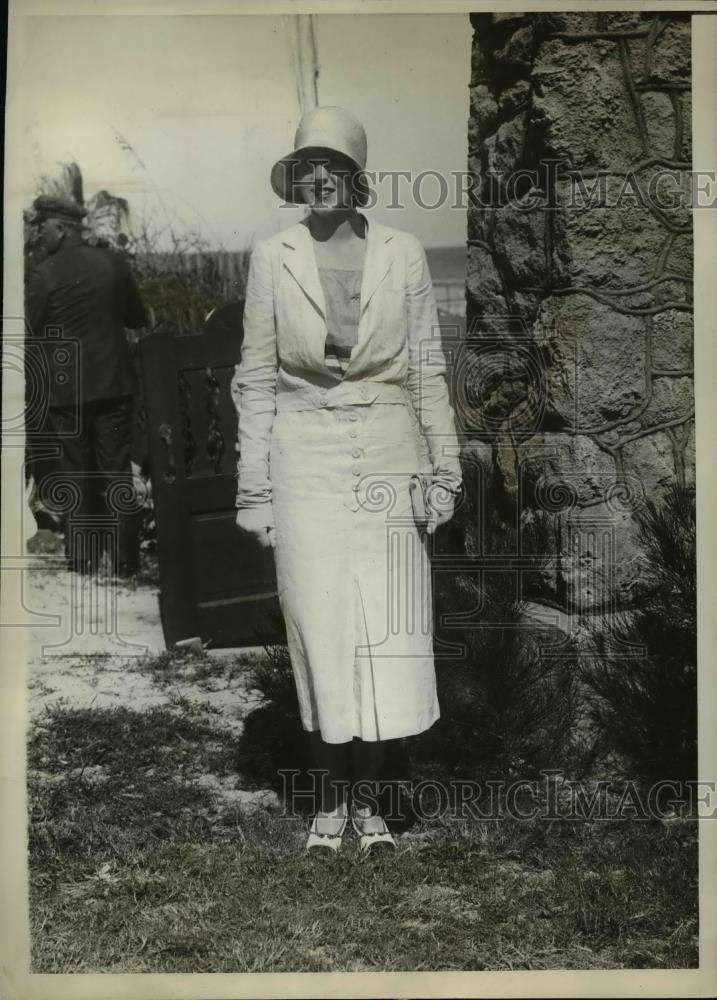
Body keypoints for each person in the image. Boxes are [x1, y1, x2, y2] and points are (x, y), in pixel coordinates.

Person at [233, 106, 462, 853]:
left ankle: (371, 801)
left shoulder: (401, 255)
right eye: (308, 166)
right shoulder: (276, 256)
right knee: (318, 620)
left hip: (390, 456)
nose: (320, 177)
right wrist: (256, 489)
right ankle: (329, 801)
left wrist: (442, 471)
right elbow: (256, 380)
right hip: (305, 460)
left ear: (357, 178)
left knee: (385, 631)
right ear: (295, 178)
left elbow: (427, 368)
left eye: (334, 165)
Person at [25, 195, 148, 575]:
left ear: (60, 228)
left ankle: (82, 561)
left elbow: (28, 334)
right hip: (114, 386)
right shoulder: (113, 263)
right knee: (115, 473)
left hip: (67, 394)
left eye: (42, 226)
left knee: (75, 473)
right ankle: (126, 562)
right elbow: (136, 317)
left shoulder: (44, 274)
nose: (37, 234)